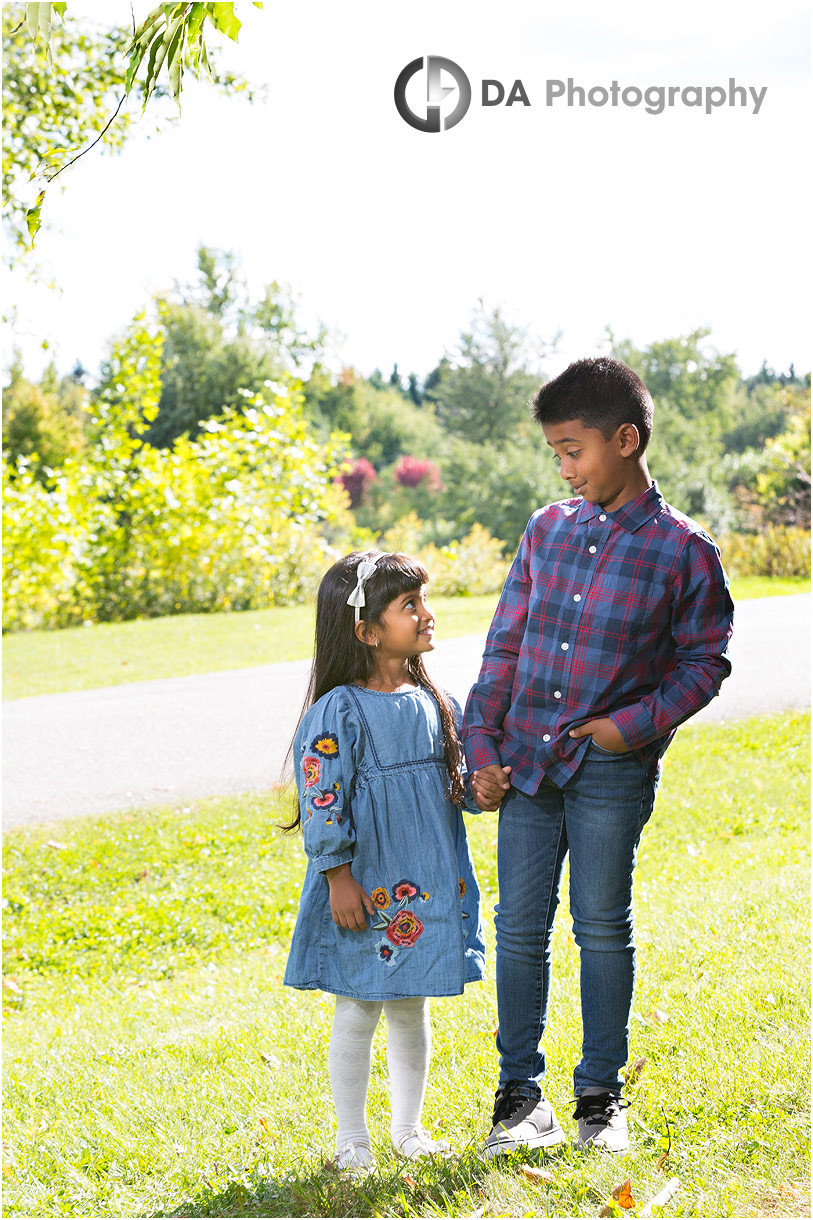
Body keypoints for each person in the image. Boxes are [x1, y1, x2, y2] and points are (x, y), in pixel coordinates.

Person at [463, 357, 734, 1156]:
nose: (565, 468)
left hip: (611, 770)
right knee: (517, 927)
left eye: (573, 449)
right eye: (555, 453)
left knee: (601, 925)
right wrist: (480, 743)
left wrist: (632, 727)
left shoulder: (684, 550)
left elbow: (703, 663)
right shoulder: (546, 529)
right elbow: (503, 645)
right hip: (524, 764)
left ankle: (598, 1100)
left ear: (626, 439)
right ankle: (519, 1100)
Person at [283, 551, 485, 1174]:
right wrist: (337, 876)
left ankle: (408, 1129)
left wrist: (483, 790)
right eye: (410, 606)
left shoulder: (436, 701)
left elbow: (455, 784)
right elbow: (321, 796)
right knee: (358, 1004)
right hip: (366, 884)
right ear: (367, 632)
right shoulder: (339, 711)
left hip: (422, 885)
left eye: (424, 601)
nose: (428, 615)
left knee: (411, 1004)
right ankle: (352, 1140)